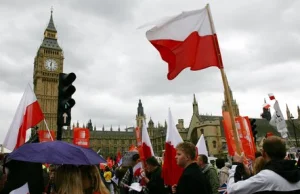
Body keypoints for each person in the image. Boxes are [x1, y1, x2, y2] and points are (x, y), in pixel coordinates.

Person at [227, 136, 300, 193]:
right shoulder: (297, 172)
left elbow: (232, 190)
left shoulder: (266, 177)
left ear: (264, 153)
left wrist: (236, 165)